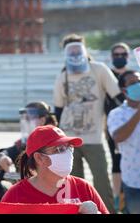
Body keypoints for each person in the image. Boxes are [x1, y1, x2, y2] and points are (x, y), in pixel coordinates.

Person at [53, 33, 123, 213]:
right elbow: (58, 109)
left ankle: (107, 211)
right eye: (71, 50)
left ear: (84, 49)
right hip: (69, 138)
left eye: (78, 49)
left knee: (101, 180)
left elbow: (117, 97)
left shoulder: (98, 69)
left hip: (93, 137)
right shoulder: (63, 76)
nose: (75, 53)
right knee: (75, 184)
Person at [1, 125, 109, 214]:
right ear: (39, 158)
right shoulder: (15, 196)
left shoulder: (84, 188)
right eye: (60, 149)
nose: (68, 154)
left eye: (69, 147)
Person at [0, 101, 58, 201]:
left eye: (28, 119)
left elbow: (37, 177)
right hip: (27, 186)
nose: (24, 123)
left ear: (42, 120)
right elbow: (8, 151)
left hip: (47, 192)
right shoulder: (27, 142)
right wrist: (2, 157)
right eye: (23, 119)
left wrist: (2, 176)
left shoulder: (52, 143)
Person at [107, 70, 140, 214]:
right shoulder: (117, 114)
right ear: (124, 90)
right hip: (134, 180)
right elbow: (118, 136)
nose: (138, 85)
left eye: (139, 81)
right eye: (133, 83)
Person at [104, 42, 131, 212]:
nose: (120, 57)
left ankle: (130, 195)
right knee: (116, 162)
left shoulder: (133, 76)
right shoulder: (107, 75)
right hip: (112, 126)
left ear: (128, 57)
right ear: (111, 57)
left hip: (134, 125)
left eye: (123, 54)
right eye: (116, 55)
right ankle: (117, 198)